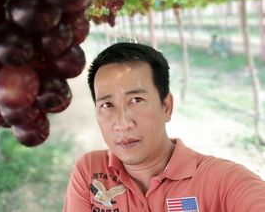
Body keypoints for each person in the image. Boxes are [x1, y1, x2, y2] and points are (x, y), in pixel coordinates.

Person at [62, 42, 265, 212]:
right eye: (107, 105)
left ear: (166, 106)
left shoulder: (223, 181)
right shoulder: (91, 170)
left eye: (136, 100)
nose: (122, 123)